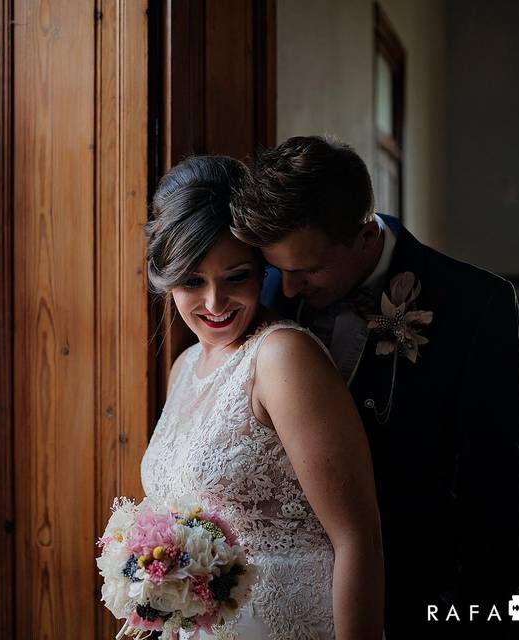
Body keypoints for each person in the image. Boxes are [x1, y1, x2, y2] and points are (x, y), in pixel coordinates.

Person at [232, 136, 519, 639]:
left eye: (308, 271)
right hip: (278, 596)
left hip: (411, 590)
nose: (290, 288)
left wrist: (485, 614)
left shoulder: (477, 305)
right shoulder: (266, 290)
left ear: (366, 238)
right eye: (280, 271)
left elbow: (491, 486)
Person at [140, 155, 384, 639]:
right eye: (192, 281)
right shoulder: (184, 367)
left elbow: (357, 538)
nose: (214, 304)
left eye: (236, 277)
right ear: (166, 279)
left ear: (261, 270)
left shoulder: (281, 357)